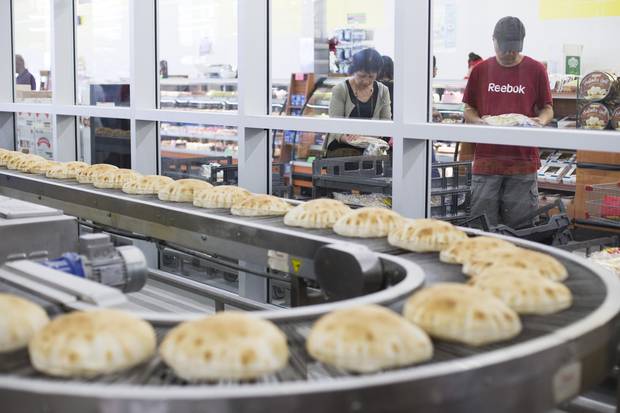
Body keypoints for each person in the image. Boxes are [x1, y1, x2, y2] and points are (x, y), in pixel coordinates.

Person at [463, 16, 554, 228]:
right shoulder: (480, 71)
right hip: (486, 162)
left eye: (513, 49)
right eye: (503, 48)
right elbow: (468, 109)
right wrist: (479, 123)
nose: (508, 53)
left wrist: (539, 121)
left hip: (523, 163)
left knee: (521, 231)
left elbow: (548, 109)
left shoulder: (536, 70)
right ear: (493, 40)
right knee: (482, 229)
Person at [326, 48, 392, 157]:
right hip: (342, 150)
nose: (366, 81)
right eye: (361, 76)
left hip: (371, 150)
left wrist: (369, 138)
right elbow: (334, 125)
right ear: (354, 70)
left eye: (371, 76)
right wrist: (345, 138)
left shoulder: (383, 91)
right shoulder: (341, 89)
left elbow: (386, 122)